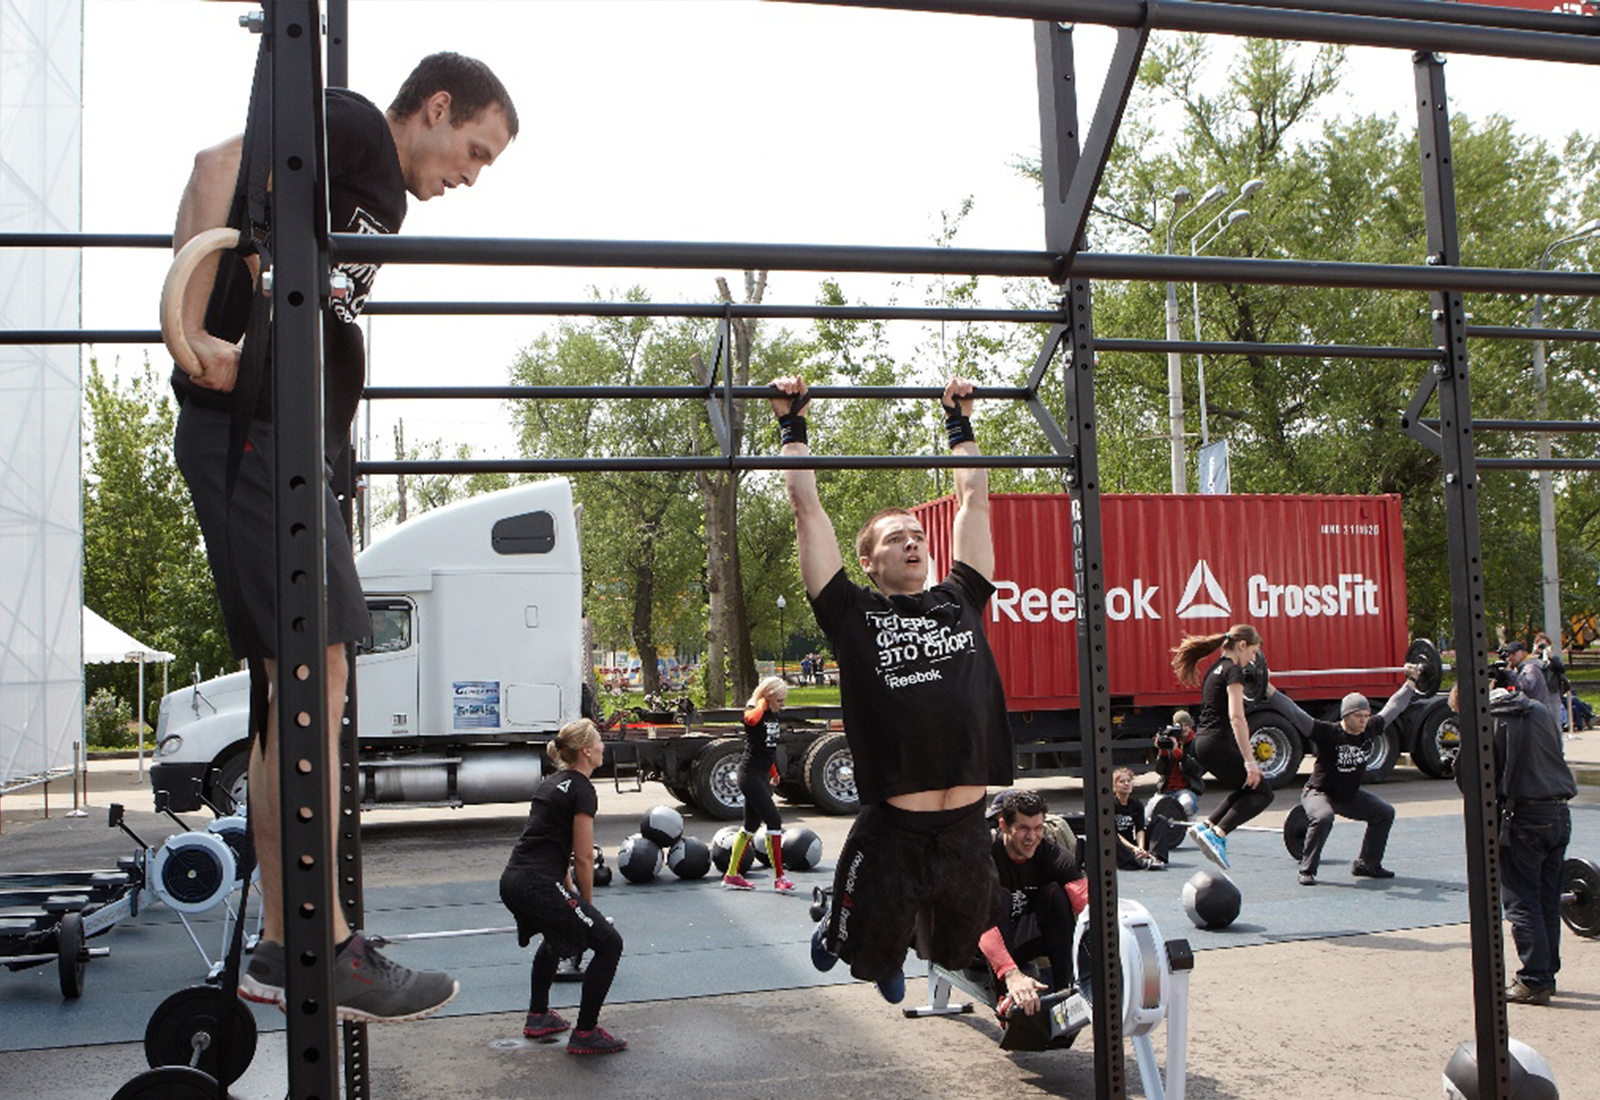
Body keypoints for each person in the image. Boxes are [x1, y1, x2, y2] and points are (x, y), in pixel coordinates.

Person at [170, 54, 518, 1020]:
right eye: (475, 151)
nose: (470, 177)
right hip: (252, 426)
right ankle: (310, 948)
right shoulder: (360, 127)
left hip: (289, 435)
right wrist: (189, 329)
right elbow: (215, 166)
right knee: (313, 677)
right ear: (437, 109)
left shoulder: (378, 202)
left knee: (306, 683)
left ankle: (298, 944)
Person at [771, 374, 1014, 1005]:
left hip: (965, 825)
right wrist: (791, 425)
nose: (912, 541)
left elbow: (974, 505)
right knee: (861, 960)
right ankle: (842, 920)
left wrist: (960, 423)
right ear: (871, 563)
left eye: (917, 535)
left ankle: (899, 935)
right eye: (893, 539)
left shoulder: (961, 597)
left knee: (961, 952)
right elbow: (807, 512)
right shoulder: (852, 613)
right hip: (894, 831)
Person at [500, 720, 627, 1053]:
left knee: (557, 936)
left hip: (515, 879)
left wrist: (574, 904)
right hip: (536, 882)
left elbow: (555, 849)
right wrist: (587, 907)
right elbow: (584, 856)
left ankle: (539, 1015)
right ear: (586, 751)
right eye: (599, 742)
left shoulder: (551, 783)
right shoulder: (583, 789)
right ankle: (586, 1033)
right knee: (609, 943)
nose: (603, 747)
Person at [1450, 680, 1577, 1005]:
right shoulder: (1535, 708)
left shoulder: (1485, 719)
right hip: (1560, 813)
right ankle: (1547, 973)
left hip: (1524, 817)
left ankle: (1534, 980)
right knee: (1548, 898)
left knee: (1522, 900)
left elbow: (1473, 778)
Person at [1295, 668, 1420, 886]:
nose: (1363, 721)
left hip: (1348, 796)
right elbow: (1294, 713)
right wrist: (1268, 689)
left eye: (1366, 716)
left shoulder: (1370, 728)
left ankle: (1367, 864)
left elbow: (1394, 705)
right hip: (1318, 793)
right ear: (1345, 716)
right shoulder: (1327, 732)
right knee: (1324, 817)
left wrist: (1412, 681)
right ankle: (1307, 869)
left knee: (1384, 812)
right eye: (1358, 717)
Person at [1170, 625, 1278, 870]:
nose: (1252, 659)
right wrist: (1250, 762)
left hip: (1203, 744)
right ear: (1241, 646)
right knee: (1263, 792)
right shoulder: (1233, 671)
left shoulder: (1214, 669)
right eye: (1252, 652)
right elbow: (1237, 717)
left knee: (1247, 789)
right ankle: (1218, 834)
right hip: (1216, 742)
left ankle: (1207, 826)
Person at [976, 790, 1087, 1018]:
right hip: (980, 945)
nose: (1032, 837)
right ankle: (1005, 1003)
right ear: (1004, 826)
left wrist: (1108, 958)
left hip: (1023, 943)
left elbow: (1087, 909)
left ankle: (1064, 989)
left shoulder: (1051, 853)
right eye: (1024, 829)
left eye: (1038, 828)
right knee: (999, 897)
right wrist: (1011, 974)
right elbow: (981, 926)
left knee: (1055, 894)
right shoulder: (985, 855)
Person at [722, 676, 796, 893]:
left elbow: (767, 746)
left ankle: (731, 875)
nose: (783, 705)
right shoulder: (755, 707)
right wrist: (762, 700)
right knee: (774, 820)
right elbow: (751, 721)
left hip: (762, 773)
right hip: (749, 774)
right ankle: (779, 878)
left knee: (750, 826)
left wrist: (773, 771)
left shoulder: (772, 714)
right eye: (780, 700)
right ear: (770, 696)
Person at [1111, 767, 1169, 870]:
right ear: (1114, 786)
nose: (1126, 784)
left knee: (1161, 820)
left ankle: (1154, 857)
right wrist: (1133, 849)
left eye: (1129, 781)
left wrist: (1140, 848)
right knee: (1110, 836)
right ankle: (1135, 861)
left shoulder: (1136, 804)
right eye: (1122, 782)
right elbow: (1114, 833)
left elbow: (1139, 829)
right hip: (1119, 846)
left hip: (1133, 844)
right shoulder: (1110, 805)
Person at [1503, 641, 1554, 715]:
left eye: (1513, 653)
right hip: (1531, 711)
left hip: (1538, 713)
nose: (1510, 657)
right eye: (1508, 654)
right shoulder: (1518, 668)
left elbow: (1525, 686)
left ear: (1523, 653)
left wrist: (1511, 673)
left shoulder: (1530, 667)